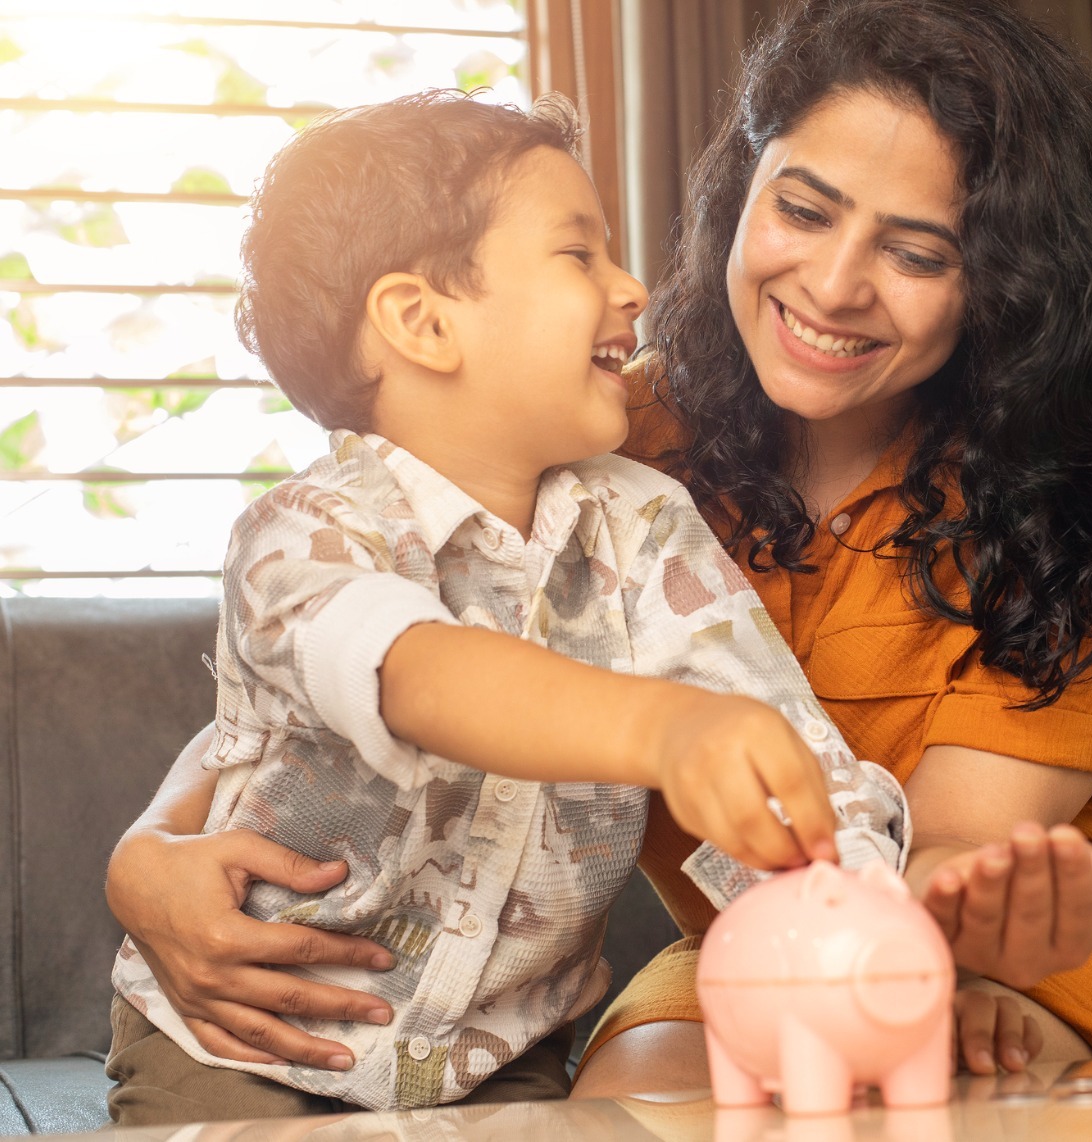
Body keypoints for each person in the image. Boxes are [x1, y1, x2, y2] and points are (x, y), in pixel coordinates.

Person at [106, 0, 1092, 1100]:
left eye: (918, 252)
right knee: (639, 1099)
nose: (833, 283)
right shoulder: (609, 441)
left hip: (1047, 931)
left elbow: (944, 854)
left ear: (1005, 286)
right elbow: (323, 671)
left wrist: (965, 945)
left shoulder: (1065, 502)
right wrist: (146, 856)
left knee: (950, 1067)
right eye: (806, 209)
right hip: (771, 937)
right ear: (743, 190)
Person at [104, 89, 914, 1123]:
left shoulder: (647, 525)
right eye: (578, 255)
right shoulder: (299, 537)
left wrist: (860, 931)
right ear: (422, 321)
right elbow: (415, 671)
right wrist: (664, 728)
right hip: (244, 1046)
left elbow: (785, 751)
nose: (632, 289)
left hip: (497, 1060)